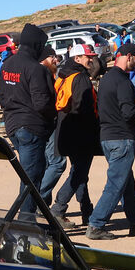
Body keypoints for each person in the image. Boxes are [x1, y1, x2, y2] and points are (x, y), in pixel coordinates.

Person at [86, 42, 135, 240]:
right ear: (127, 56)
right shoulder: (123, 81)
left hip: (107, 138)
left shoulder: (107, 78)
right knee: (116, 184)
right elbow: (128, 112)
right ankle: (96, 225)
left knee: (126, 182)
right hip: (121, 138)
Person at [0, 23, 56, 219]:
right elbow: (42, 103)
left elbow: (2, 98)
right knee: (31, 178)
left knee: (28, 175)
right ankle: (26, 221)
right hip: (31, 127)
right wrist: (52, 119)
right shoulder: (34, 68)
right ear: (36, 45)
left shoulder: (7, 65)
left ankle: (27, 218)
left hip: (13, 126)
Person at [50, 43, 100, 228]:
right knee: (79, 172)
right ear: (77, 58)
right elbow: (82, 108)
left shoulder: (64, 75)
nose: (91, 59)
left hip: (65, 129)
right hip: (79, 132)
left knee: (80, 172)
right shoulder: (80, 78)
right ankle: (58, 209)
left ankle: (87, 210)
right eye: (88, 56)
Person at [38, 48, 67, 202]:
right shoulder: (42, 73)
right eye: (53, 57)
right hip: (47, 124)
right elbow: (44, 101)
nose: (56, 60)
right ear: (45, 58)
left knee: (47, 163)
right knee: (58, 163)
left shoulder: (46, 72)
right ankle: (37, 198)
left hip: (43, 124)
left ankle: (42, 204)